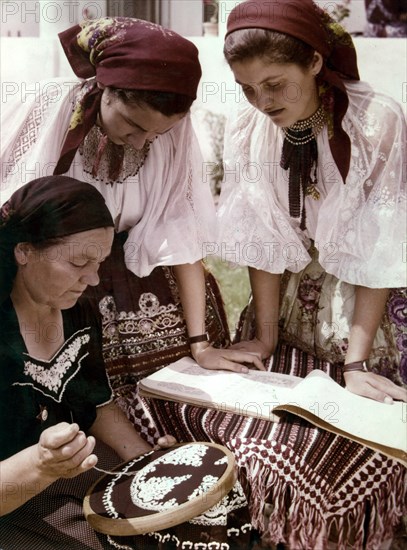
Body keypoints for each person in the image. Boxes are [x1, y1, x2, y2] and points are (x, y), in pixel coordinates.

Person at [138, 2, 407, 549]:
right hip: (288, 296)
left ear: (313, 60)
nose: (262, 102)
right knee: (257, 425)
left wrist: (356, 362)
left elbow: (379, 249)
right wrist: (265, 332)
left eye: (275, 83)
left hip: (367, 302)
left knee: (364, 435)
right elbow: (264, 241)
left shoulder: (375, 120)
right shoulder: (248, 129)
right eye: (246, 88)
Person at [0, 16, 263, 446]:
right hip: (63, 276)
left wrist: (199, 343)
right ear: (104, 88)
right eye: (134, 126)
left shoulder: (172, 136)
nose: (142, 142)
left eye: (158, 133)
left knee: (187, 407)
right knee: (69, 408)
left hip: (145, 275)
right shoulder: (49, 108)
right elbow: (12, 217)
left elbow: (181, 235)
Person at [0, 175, 253, 550]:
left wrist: (144, 461)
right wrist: (39, 465)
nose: (93, 278)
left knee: (204, 520)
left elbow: (97, 402)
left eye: (99, 262)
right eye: (78, 262)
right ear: (24, 251)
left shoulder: (80, 310)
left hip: (76, 470)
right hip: (15, 501)